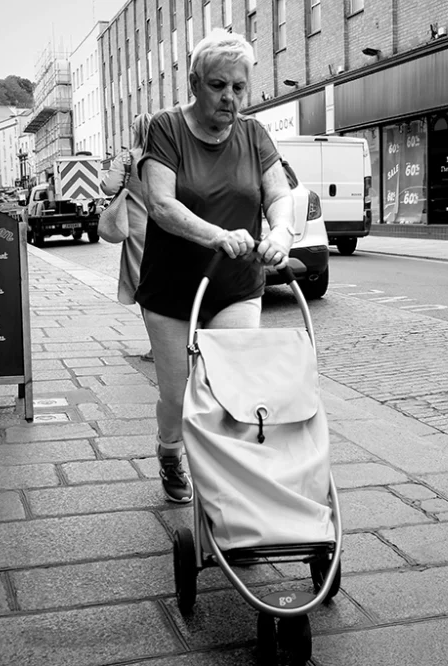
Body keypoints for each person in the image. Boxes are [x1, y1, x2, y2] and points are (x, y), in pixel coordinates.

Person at [137, 28, 294, 503]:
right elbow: (161, 205)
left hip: (235, 284)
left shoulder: (254, 134)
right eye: (218, 85)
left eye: (239, 88)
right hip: (172, 289)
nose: (229, 97)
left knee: (235, 387)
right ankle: (170, 451)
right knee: (178, 394)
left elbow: (278, 196)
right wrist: (218, 235)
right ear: (194, 83)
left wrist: (282, 232)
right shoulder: (165, 128)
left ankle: (231, 493)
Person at [101, 114, 154, 361]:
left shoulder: (127, 156)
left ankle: (158, 346)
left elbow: (110, 187)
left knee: (143, 283)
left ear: (134, 130)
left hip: (139, 229)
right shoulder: (168, 155)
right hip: (170, 227)